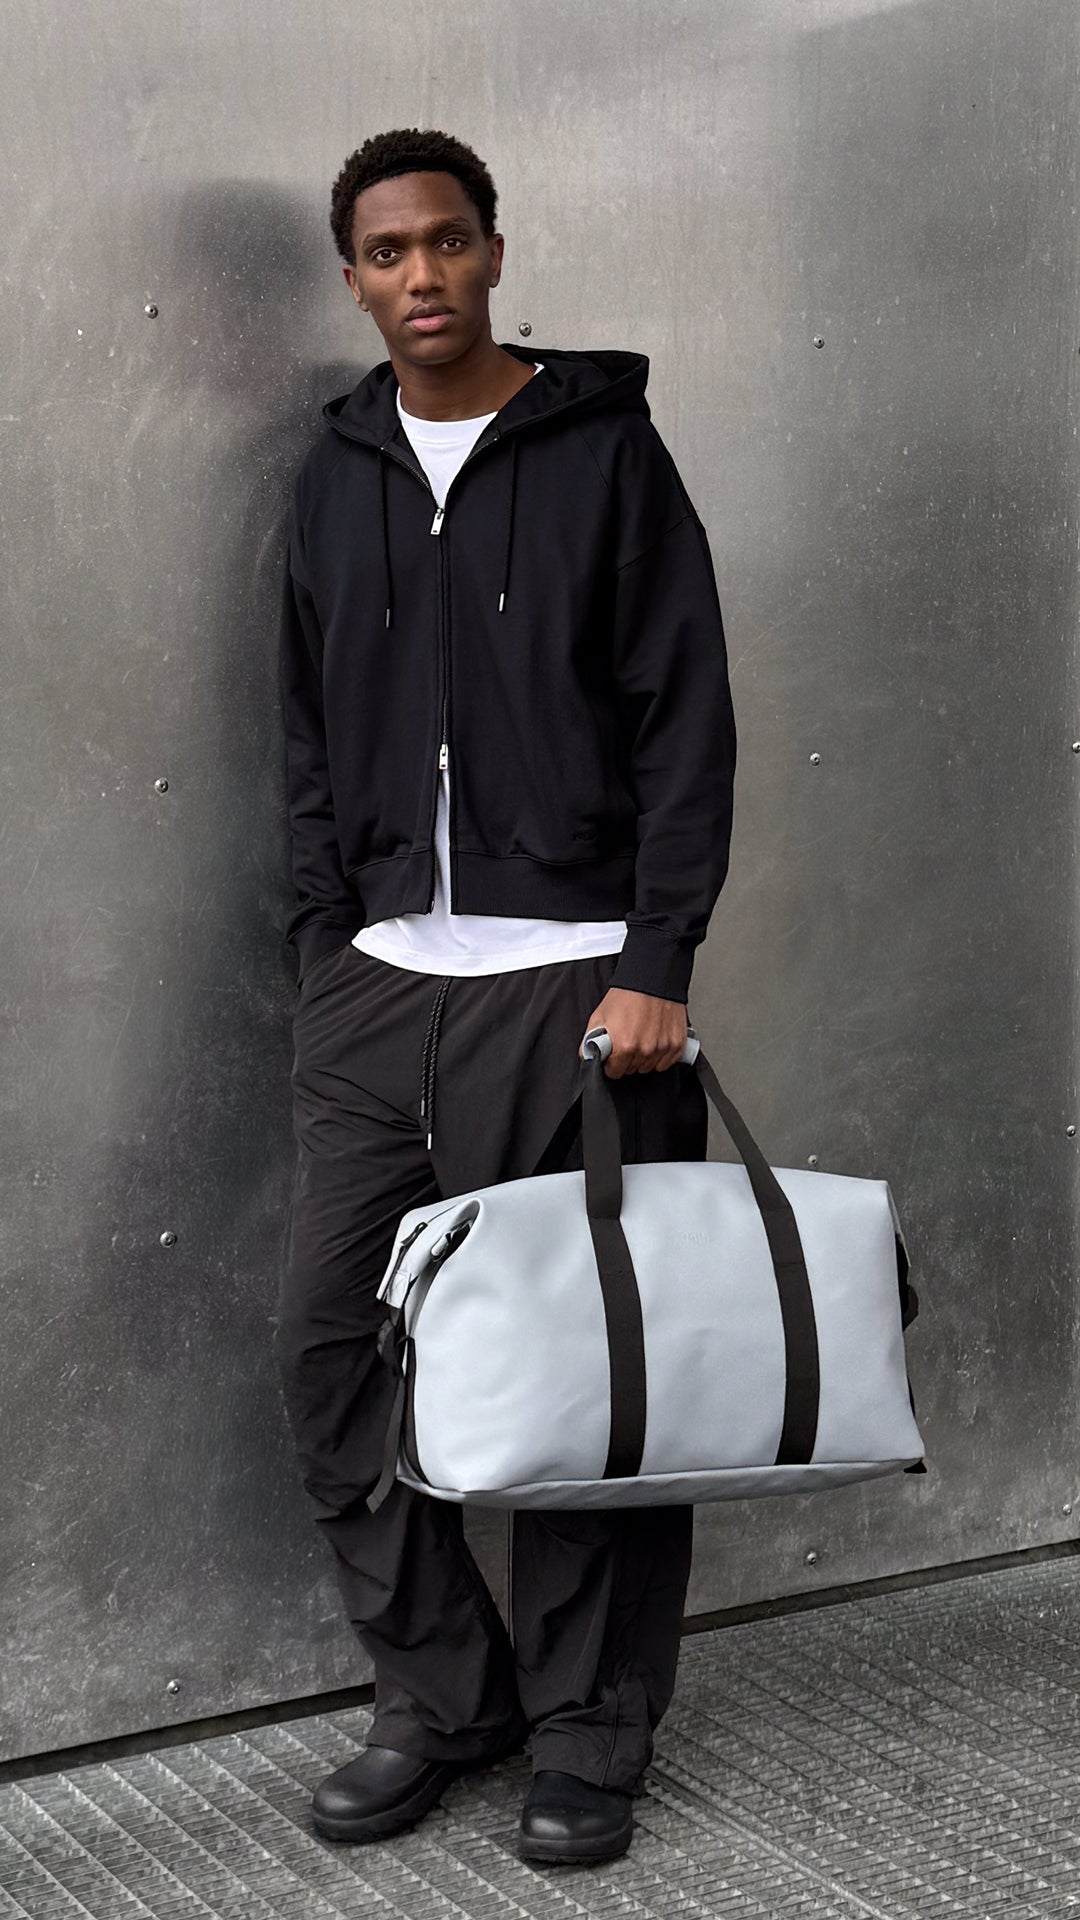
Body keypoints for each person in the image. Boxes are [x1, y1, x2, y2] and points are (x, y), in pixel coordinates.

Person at [275, 125, 737, 1866]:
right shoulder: (337, 471)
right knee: (330, 1352)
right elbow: (302, 727)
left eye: (448, 241)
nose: (422, 275)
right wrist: (326, 951)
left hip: (575, 989)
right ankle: (444, 1696)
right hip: (381, 989)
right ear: (354, 279)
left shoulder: (603, 446)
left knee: (586, 1370)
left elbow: (687, 711)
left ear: (491, 251)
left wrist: (658, 959)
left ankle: (589, 1727)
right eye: (388, 251)